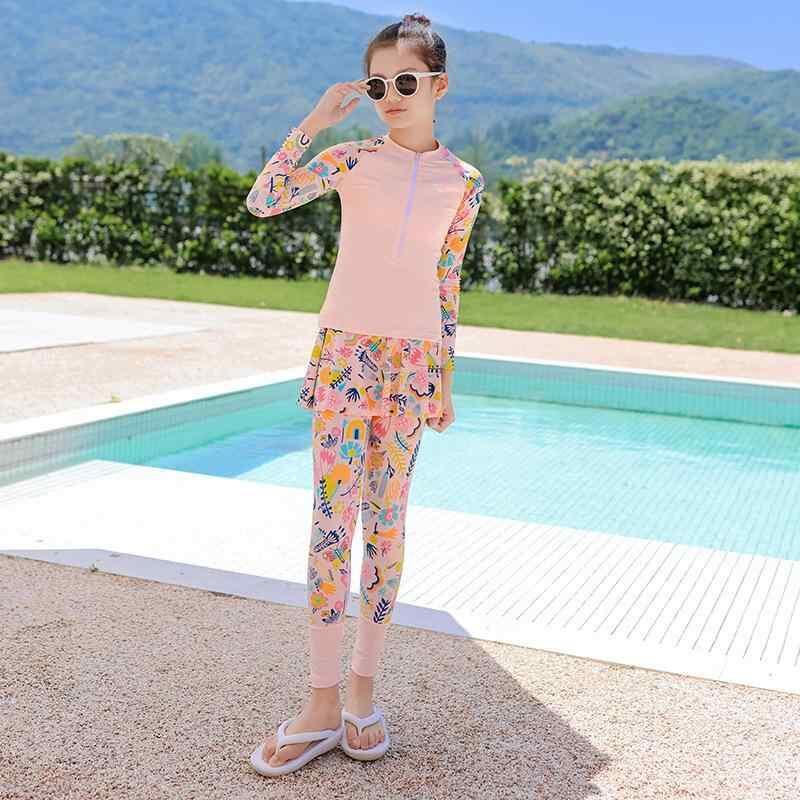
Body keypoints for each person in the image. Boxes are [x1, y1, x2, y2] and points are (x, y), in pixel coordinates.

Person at [245, 12, 484, 776]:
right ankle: (319, 703)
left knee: (387, 528)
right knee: (331, 525)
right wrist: (316, 121)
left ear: (439, 86)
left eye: (405, 81)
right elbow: (264, 199)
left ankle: (361, 697)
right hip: (347, 358)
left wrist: (445, 376)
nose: (390, 96)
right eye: (378, 85)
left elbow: (446, 283)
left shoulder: (464, 183)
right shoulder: (349, 158)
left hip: (412, 367)